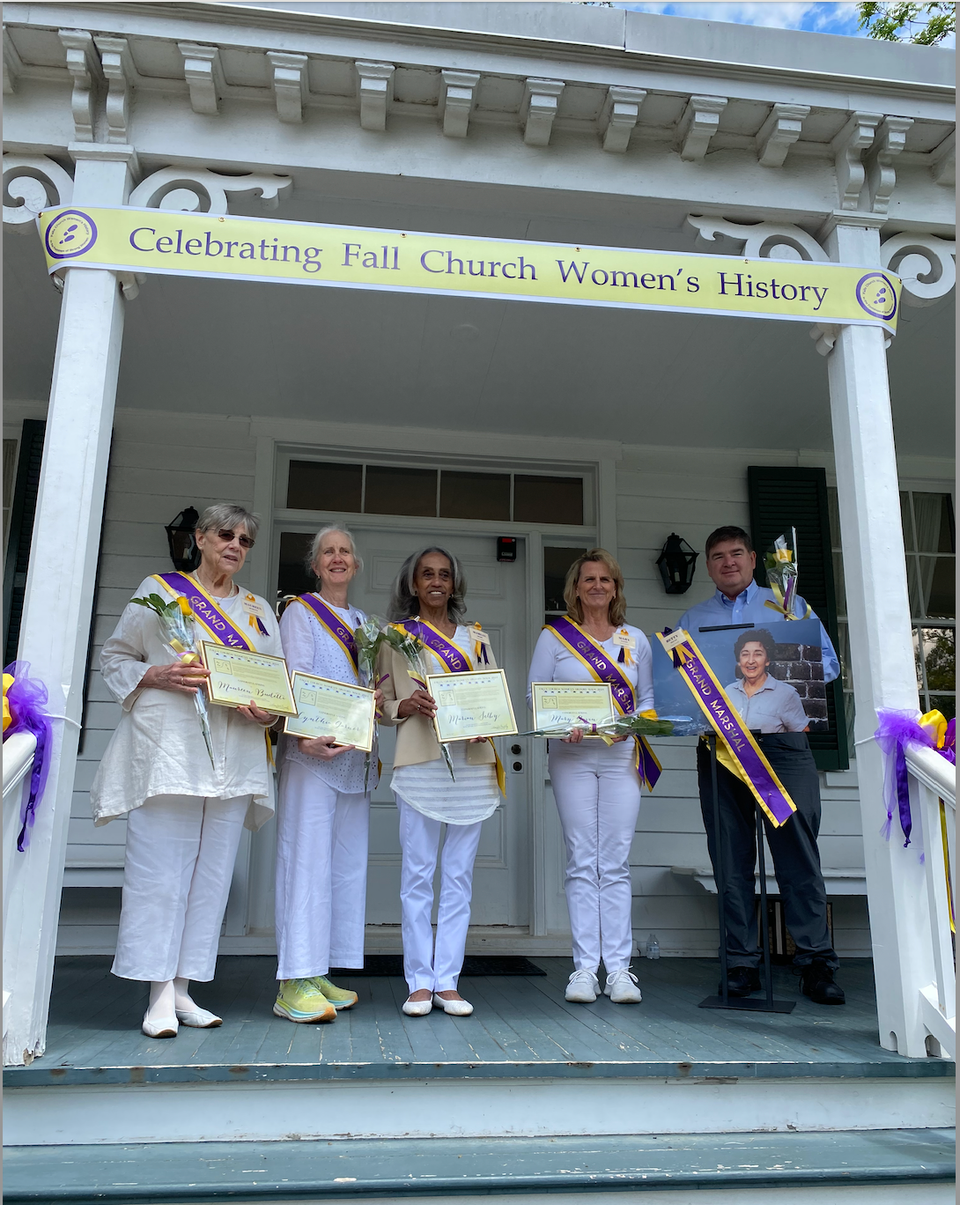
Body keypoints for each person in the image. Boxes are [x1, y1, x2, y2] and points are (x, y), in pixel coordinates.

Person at [91, 505, 282, 1037]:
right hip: (168, 751)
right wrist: (153, 673)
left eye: (244, 539)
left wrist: (267, 712)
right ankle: (154, 994)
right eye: (225, 534)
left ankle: (183, 990)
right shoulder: (159, 590)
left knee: (212, 876)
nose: (235, 545)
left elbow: (276, 689)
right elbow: (115, 657)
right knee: (159, 874)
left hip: (234, 753)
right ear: (199, 538)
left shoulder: (260, 610)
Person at [679, 525, 844, 1005]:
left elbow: (828, 667)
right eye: (717, 557)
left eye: (736, 554)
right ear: (708, 566)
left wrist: (786, 657)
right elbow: (686, 689)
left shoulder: (786, 604)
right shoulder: (694, 618)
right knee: (730, 859)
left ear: (753, 559)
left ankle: (814, 962)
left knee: (796, 854)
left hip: (784, 746)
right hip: (721, 751)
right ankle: (741, 963)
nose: (727, 562)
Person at [378, 546, 501, 1018]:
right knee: (417, 877)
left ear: (453, 584)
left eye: (444, 575)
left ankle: (447, 981)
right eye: (426, 574)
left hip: (470, 766)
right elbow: (381, 700)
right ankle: (418, 982)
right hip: (421, 765)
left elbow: (491, 696)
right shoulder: (395, 637)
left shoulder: (477, 639)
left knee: (458, 879)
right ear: (413, 584)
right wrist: (401, 707)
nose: (435, 581)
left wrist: (484, 720)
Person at [527, 549, 653, 1005]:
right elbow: (536, 696)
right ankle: (584, 969)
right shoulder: (555, 637)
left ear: (616, 587)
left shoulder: (635, 639)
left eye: (606, 579)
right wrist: (565, 726)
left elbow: (648, 700)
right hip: (572, 755)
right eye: (588, 579)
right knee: (582, 858)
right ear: (575, 589)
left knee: (615, 861)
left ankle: (620, 969)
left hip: (620, 757)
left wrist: (630, 725)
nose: (597, 586)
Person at [274, 526, 381, 1024]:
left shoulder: (364, 622)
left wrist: (375, 700)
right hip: (311, 754)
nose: (337, 559)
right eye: (328, 553)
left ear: (355, 565)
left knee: (343, 867)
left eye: (345, 552)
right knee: (305, 862)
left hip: (352, 758)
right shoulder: (300, 611)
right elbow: (292, 678)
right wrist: (298, 737)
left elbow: (363, 685)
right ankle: (292, 980)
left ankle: (318, 970)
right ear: (316, 565)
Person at [726, 629, 809, 734]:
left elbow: (802, 736)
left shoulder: (786, 694)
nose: (751, 661)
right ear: (739, 661)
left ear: (767, 660)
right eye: (745, 654)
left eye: (758, 654)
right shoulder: (729, 692)